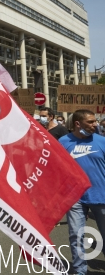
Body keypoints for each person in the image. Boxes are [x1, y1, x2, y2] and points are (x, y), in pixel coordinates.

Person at [59, 109, 105, 275]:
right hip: (75, 198)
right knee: (76, 236)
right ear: (77, 124)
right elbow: (57, 169)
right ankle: (80, 271)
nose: (95, 124)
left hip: (101, 196)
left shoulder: (102, 141)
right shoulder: (63, 142)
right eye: (91, 122)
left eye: (95, 121)